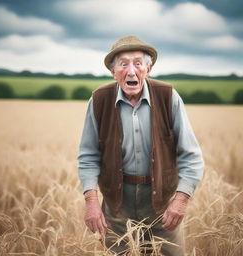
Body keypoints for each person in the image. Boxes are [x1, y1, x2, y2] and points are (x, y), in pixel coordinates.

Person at [78, 35, 204, 255]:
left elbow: (191, 156)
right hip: (116, 202)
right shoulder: (99, 100)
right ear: (113, 71)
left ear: (149, 68)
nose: (131, 71)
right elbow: (88, 156)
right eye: (123, 64)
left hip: (161, 202)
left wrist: (180, 200)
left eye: (138, 63)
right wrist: (91, 202)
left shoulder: (168, 97)